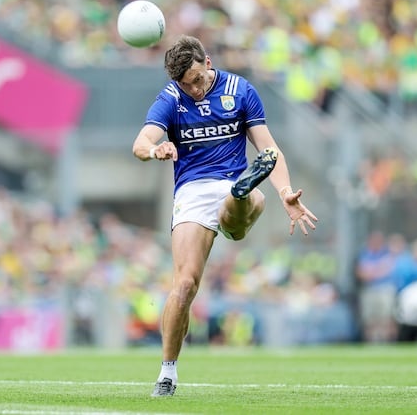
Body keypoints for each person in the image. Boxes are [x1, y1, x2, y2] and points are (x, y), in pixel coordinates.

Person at [131, 35, 317, 397]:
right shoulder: (171, 98)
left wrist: (285, 192)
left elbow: (268, 148)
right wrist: (156, 150)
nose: (195, 90)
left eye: (199, 80)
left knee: (239, 206)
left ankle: (242, 193)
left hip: (231, 182)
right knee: (184, 285)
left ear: (209, 62)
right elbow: (140, 144)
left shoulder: (240, 89)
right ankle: (167, 373)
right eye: (188, 85)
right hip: (193, 191)